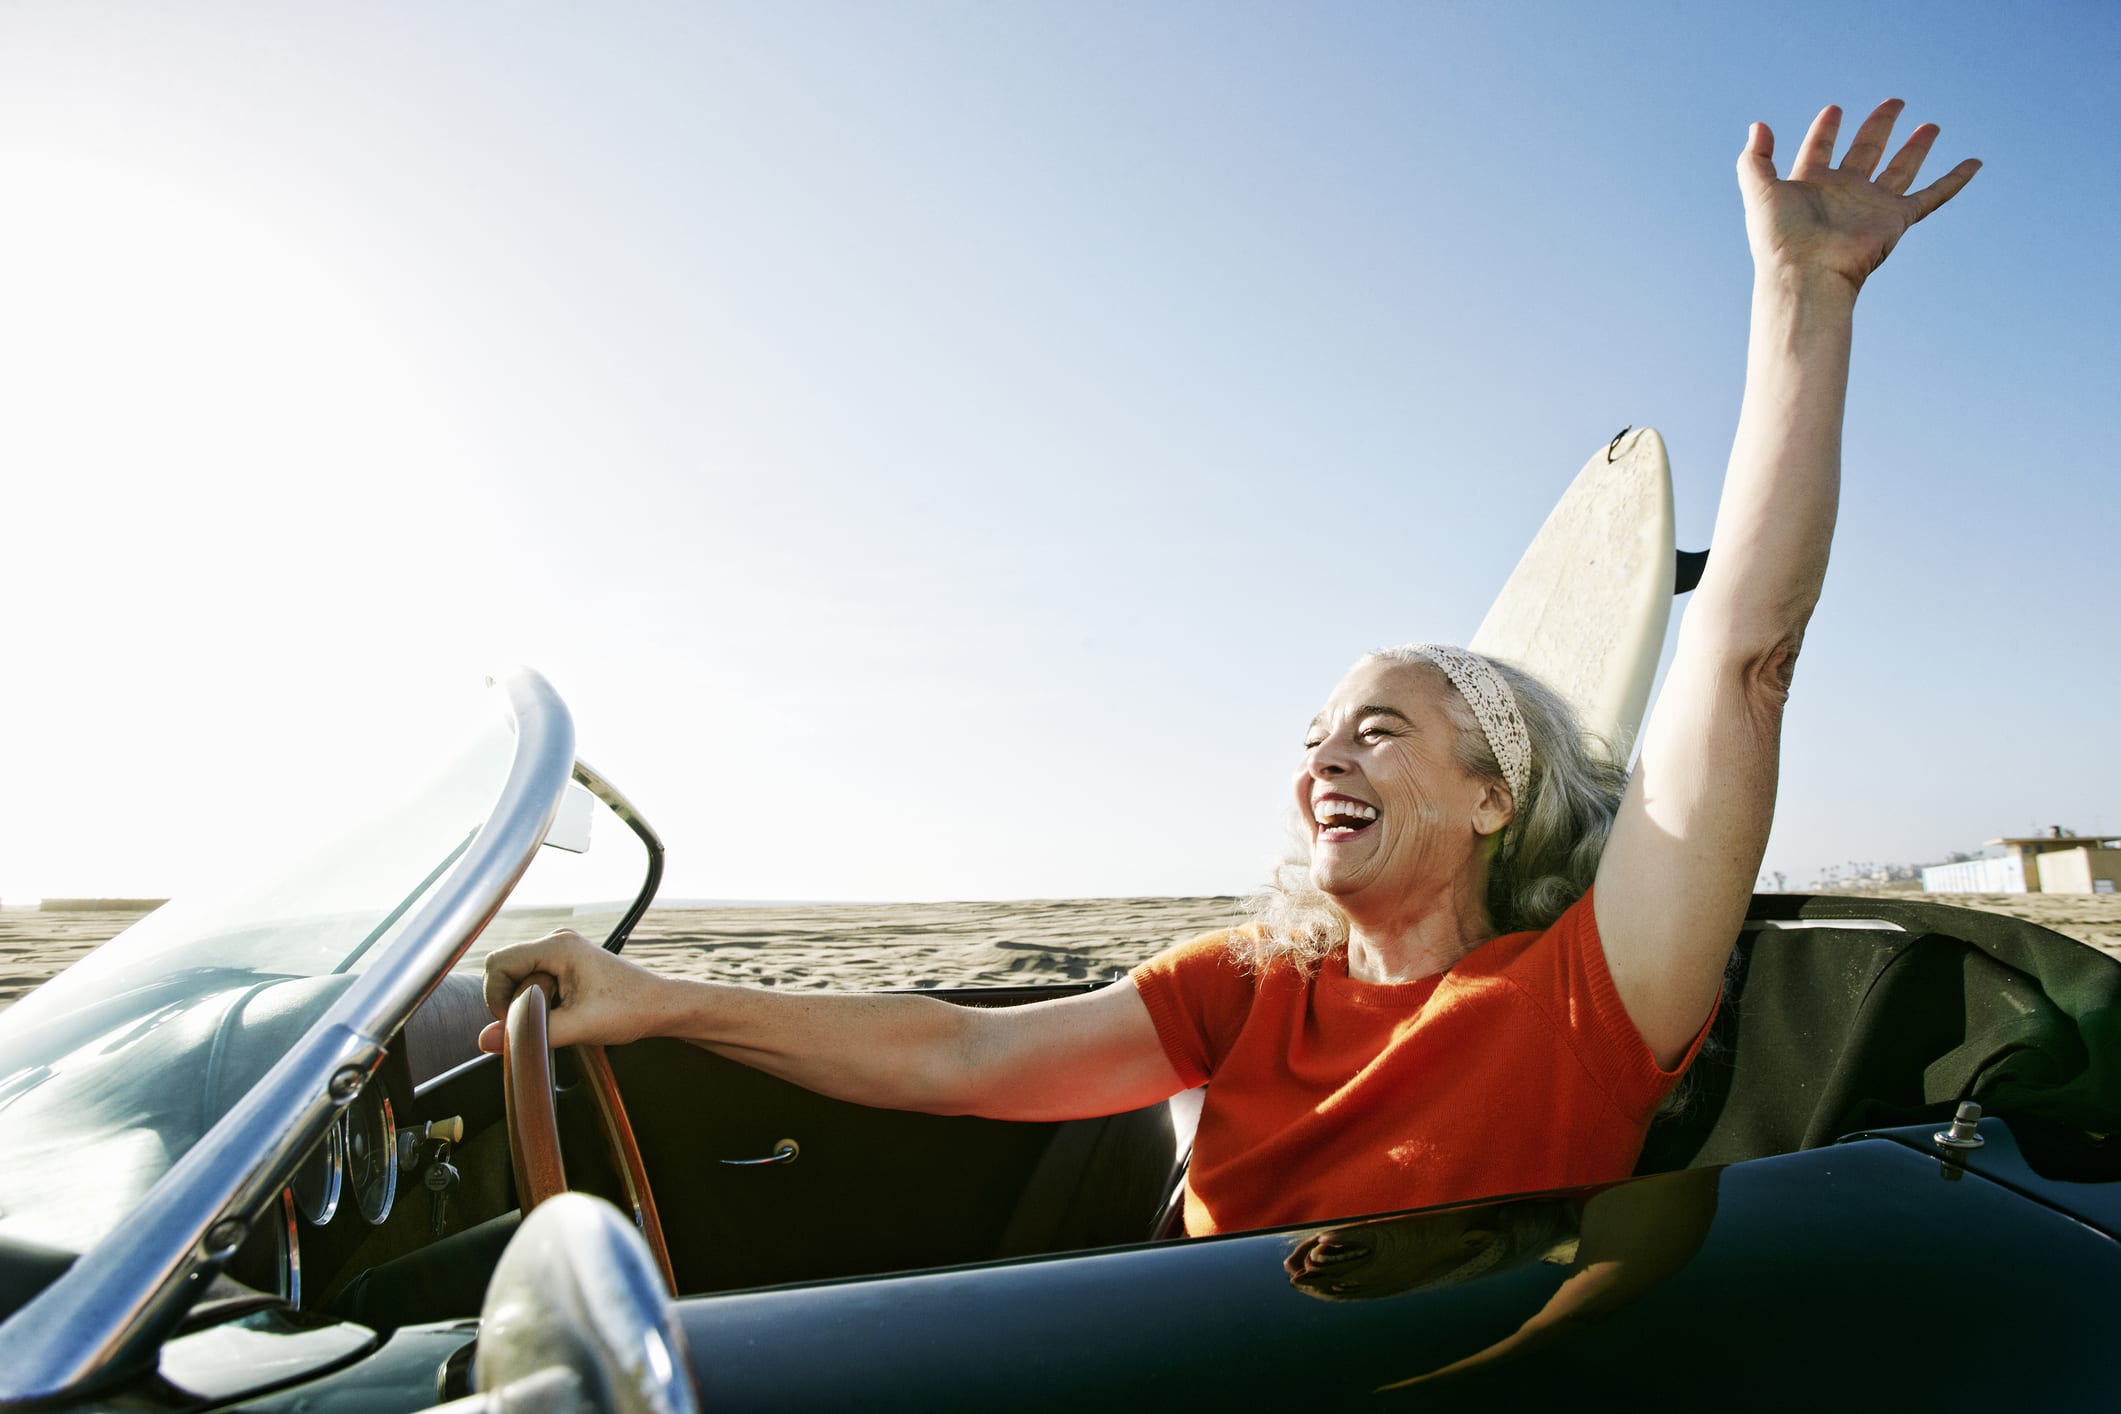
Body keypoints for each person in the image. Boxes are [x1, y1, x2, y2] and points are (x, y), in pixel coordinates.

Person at [481, 100, 1979, 1237]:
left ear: (1486, 798)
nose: (1322, 756)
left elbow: (1737, 675)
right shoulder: (1252, 989)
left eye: (1379, 730)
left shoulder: (1586, 997)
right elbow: (948, 1054)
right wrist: (657, 998)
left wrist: (1803, 303)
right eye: (1315, 730)